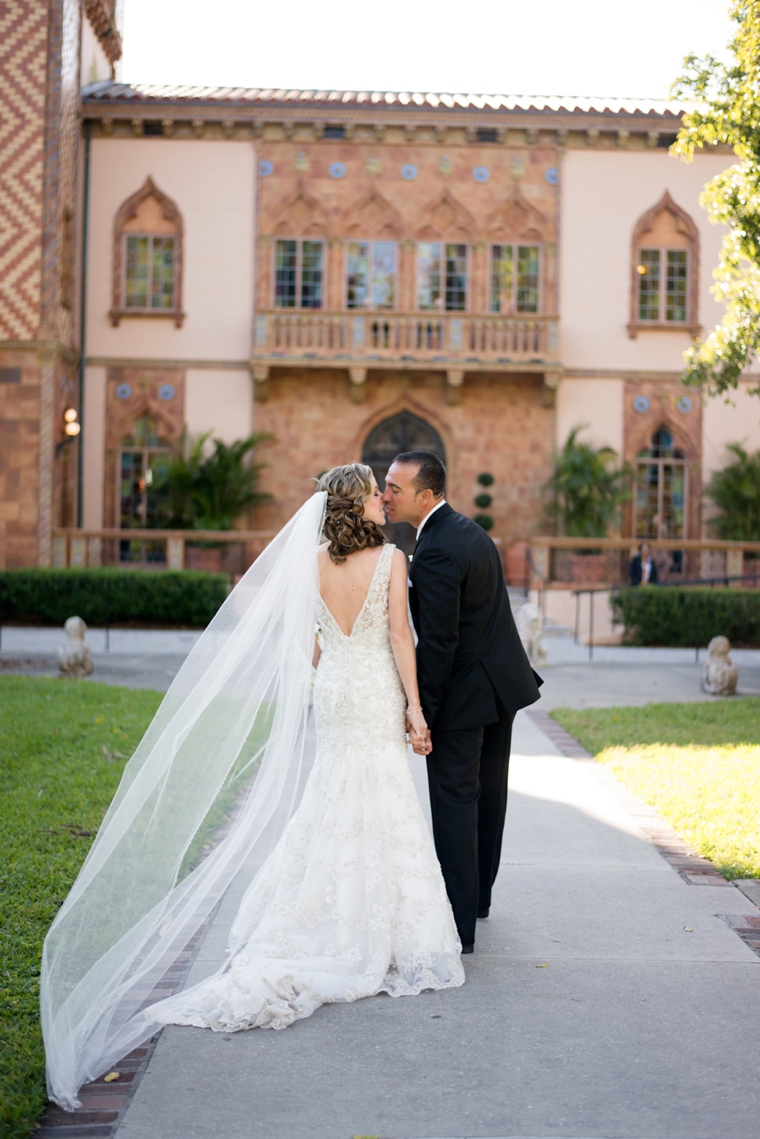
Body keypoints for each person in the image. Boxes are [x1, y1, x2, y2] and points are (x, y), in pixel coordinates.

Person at [41, 465, 463, 1110]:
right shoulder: (392, 560)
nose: (385, 499)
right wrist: (416, 709)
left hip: (336, 692)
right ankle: (382, 927)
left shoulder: (314, 562)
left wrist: (330, 663)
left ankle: (317, 912)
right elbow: (401, 636)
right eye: (376, 492)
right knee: (381, 798)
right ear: (359, 504)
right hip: (375, 689)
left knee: (332, 795)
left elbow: (308, 643)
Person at [381, 451, 542, 953]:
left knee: (454, 802)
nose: (385, 496)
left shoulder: (435, 550)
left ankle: (458, 926)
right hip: (500, 688)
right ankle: (477, 901)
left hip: (465, 697)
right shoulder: (469, 531)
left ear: (425, 496)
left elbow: (441, 641)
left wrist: (420, 710)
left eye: (394, 489)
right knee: (487, 798)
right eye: (384, 487)